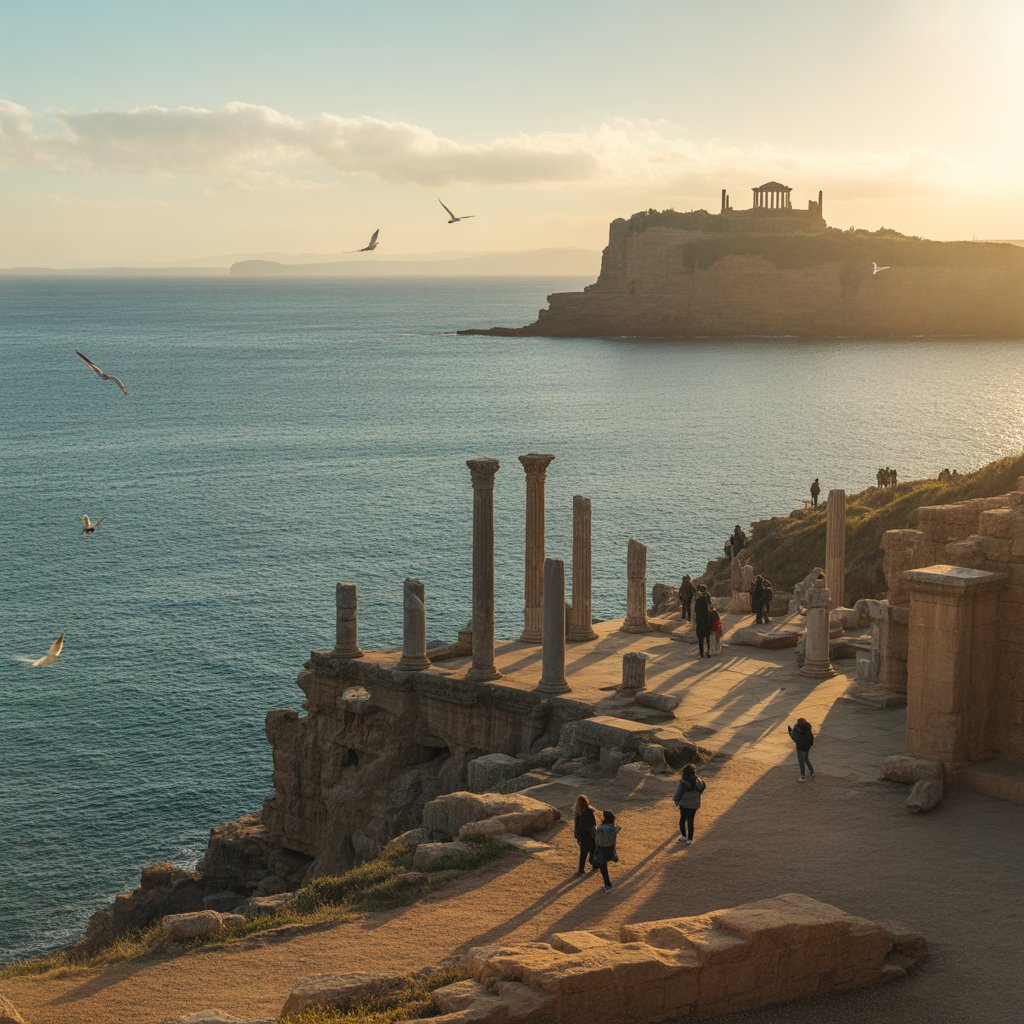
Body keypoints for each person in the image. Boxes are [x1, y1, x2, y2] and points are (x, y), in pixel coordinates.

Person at [673, 763, 707, 846]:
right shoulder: (698, 780)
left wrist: (676, 800)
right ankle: (690, 839)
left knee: (682, 820)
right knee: (690, 821)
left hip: (684, 803)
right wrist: (698, 793)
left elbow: (678, 794)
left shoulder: (683, 782)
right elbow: (704, 786)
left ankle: (684, 836)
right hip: (694, 803)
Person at [592, 809, 620, 892]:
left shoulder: (601, 828)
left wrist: (595, 830)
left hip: (601, 849)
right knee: (602, 866)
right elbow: (618, 829)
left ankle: (608, 885)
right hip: (610, 849)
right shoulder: (613, 827)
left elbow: (598, 840)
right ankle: (607, 884)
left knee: (603, 868)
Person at [572, 795, 598, 876]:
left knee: (583, 854)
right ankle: (595, 865)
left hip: (582, 837)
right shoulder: (588, 812)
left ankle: (581, 870)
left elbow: (577, 826)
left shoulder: (578, 813)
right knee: (594, 850)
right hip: (589, 837)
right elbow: (591, 828)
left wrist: (577, 836)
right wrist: (597, 836)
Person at [788, 717, 815, 781]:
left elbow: (794, 738)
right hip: (807, 746)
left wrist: (790, 732)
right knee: (806, 759)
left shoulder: (797, 729)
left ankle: (803, 777)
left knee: (801, 762)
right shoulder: (808, 727)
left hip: (800, 747)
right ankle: (812, 772)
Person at [693, 584, 713, 658]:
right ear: (705, 591)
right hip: (706, 622)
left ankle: (701, 654)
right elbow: (711, 609)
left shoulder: (697, 601)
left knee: (700, 639)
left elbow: (695, 612)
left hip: (699, 622)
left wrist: (695, 621)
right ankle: (708, 652)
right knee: (707, 639)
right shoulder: (707, 600)